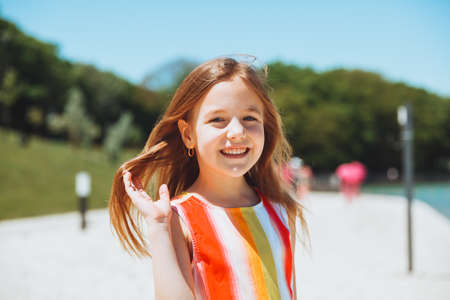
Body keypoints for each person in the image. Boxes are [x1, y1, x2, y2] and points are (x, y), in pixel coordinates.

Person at [108, 56, 310, 300]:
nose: (237, 132)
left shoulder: (281, 210)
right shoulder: (179, 218)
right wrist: (159, 229)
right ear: (188, 134)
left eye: (250, 118)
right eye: (218, 120)